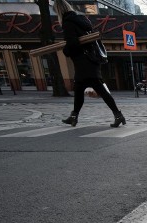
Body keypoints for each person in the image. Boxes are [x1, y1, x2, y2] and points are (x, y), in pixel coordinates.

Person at [53, 0, 125, 128]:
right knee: (81, 90)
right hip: (91, 60)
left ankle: (117, 115)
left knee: (94, 90)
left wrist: (66, 50)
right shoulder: (82, 20)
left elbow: (73, 44)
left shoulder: (68, 23)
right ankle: (74, 116)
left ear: (59, 11)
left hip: (83, 63)